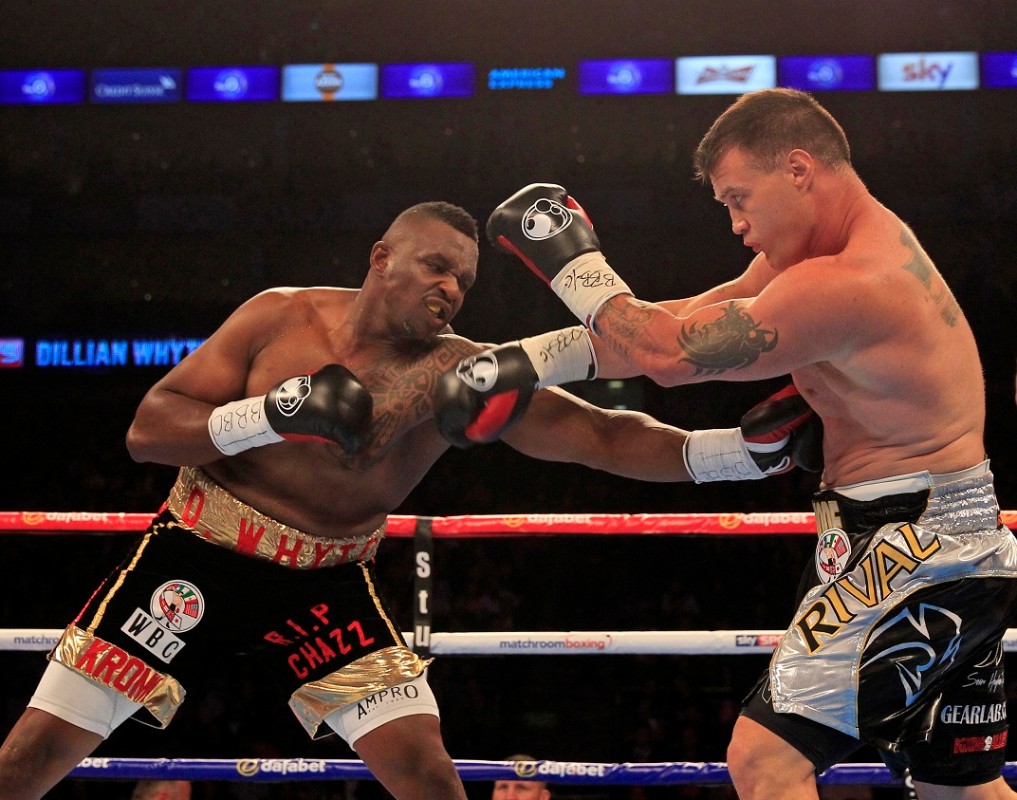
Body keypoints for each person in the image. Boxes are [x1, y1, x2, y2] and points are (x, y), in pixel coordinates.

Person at [0, 201, 817, 800]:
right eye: (434, 266)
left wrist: (737, 457)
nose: (450, 288)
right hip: (194, 556)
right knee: (30, 759)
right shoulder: (276, 317)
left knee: (427, 772)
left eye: (462, 279)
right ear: (381, 255)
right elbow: (149, 431)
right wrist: (271, 416)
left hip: (327, 580)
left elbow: (600, 434)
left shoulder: (462, 374)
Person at [447, 89, 1017, 799]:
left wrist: (572, 264)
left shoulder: (850, 283)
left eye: (739, 198)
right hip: (942, 539)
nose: (737, 223)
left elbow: (669, 356)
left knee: (764, 760)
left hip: (909, 546)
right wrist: (520, 359)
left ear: (800, 170)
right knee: (958, 788)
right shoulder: (817, 256)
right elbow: (678, 321)